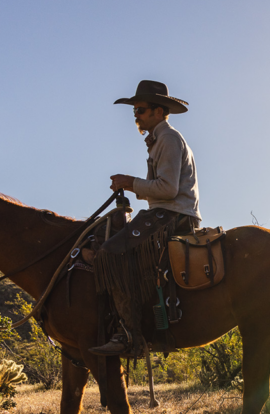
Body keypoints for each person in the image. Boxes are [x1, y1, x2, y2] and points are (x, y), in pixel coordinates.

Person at [90, 80, 201, 356]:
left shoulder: (169, 139)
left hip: (175, 216)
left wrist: (130, 182)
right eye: (135, 111)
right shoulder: (158, 140)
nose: (136, 115)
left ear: (159, 111)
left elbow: (168, 189)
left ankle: (130, 333)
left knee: (111, 253)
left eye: (140, 110)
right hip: (165, 212)